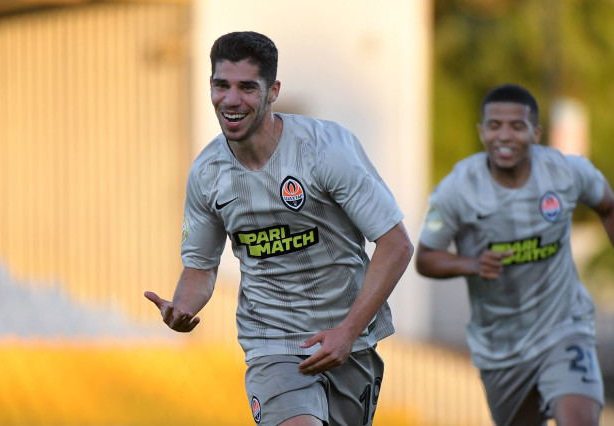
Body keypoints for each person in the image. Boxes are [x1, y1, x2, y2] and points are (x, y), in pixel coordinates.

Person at [144, 31, 413, 426]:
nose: (231, 100)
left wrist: (348, 331)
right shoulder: (207, 174)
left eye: (247, 87)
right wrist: (182, 306)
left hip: (348, 338)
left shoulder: (325, 151)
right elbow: (200, 267)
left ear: (273, 91)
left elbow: (396, 244)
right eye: (221, 85)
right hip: (271, 343)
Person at [415, 83, 614, 426]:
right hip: (500, 346)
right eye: (495, 126)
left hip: (563, 327)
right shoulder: (456, 189)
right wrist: (471, 264)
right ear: (481, 132)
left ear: (535, 133)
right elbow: (425, 258)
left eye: (517, 126)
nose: (505, 136)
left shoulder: (566, 173)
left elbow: (610, 208)